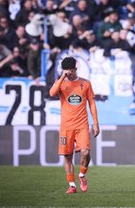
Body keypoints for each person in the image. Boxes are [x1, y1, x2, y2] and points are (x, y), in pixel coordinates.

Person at [49, 57, 100, 194]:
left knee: (85, 152)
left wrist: (95, 123)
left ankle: (82, 175)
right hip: (66, 126)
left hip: (82, 124)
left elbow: (92, 104)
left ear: (76, 69)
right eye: (66, 71)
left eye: (70, 71)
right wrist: (62, 77)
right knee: (67, 156)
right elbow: (52, 93)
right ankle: (72, 185)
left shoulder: (85, 84)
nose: (68, 74)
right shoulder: (60, 83)